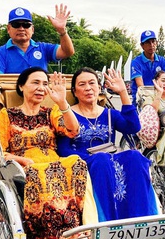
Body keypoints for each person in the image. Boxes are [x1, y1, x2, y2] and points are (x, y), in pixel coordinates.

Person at [0, 67, 94, 239]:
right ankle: (56, 237)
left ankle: (78, 231)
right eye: (35, 82)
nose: (41, 88)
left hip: (53, 161)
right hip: (24, 166)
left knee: (77, 162)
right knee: (38, 171)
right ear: (22, 86)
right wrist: (22, 159)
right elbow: (0, 153)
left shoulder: (50, 112)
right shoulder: (7, 115)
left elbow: (73, 131)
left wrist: (62, 103)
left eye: (45, 84)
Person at [57, 68, 158, 222]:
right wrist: (92, 158)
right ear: (74, 92)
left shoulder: (109, 114)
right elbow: (64, 149)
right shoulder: (68, 115)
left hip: (107, 160)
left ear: (99, 88)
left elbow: (133, 127)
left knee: (135, 157)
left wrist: (123, 92)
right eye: (82, 84)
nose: (88, 88)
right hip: (84, 163)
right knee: (102, 161)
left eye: (92, 83)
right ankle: (106, 220)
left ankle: (142, 218)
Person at [0, 5, 75, 74]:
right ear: (8, 29)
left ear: (32, 29)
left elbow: (67, 52)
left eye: (26, 25)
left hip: (41, 94)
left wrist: (62, 31)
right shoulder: (0, 53)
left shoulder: (43, 48)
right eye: (16, 25)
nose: (21, 28)